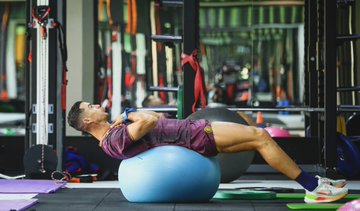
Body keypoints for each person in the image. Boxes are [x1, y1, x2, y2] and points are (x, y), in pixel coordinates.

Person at [67, 101, 348, 204]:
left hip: (192, 134)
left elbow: (152, 116)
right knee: (261, 136)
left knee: (258, 141)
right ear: (88, 121)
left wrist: (131, 115)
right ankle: (314, 188)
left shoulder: (114, 133)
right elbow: (150, 121)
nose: (96, 105)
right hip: (195, 134)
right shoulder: (114, 138)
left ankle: (315, 185)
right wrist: (129, 114)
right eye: (90, 106)